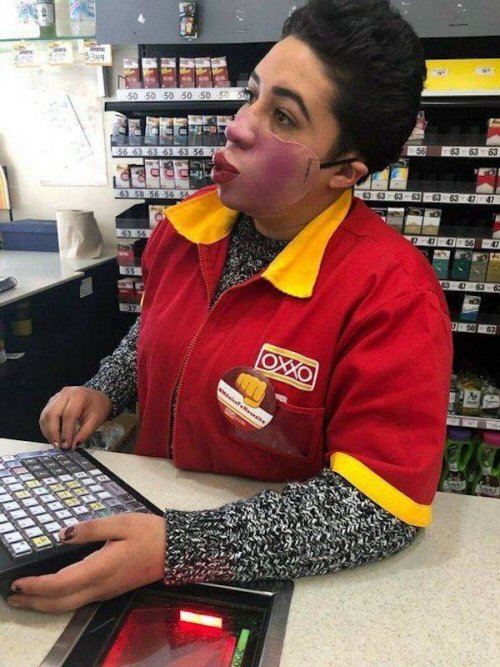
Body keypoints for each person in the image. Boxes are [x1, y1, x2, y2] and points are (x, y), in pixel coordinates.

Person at [8, 0, 452, 613]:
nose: (239, 126)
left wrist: (183, 548)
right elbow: (157, 330)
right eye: (252, 95)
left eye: (284, 117)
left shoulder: (394, 297)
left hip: (272, 587)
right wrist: (104, 388)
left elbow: (380, 505)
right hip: (142, 522)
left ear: (344, 172)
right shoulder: (186, 227)